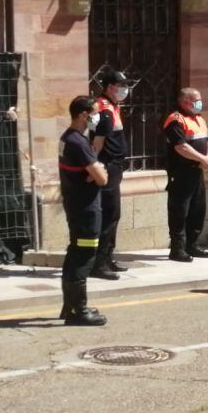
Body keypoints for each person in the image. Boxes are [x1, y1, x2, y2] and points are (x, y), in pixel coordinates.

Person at [59, 96, 109, 326]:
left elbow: (91, 173)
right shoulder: (78, 142)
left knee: (75, 253)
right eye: (95, 113)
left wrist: (94, 171)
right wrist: (99, 171)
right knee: (84, 257)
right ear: (83, 115)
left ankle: (70, 305)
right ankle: (77, 311)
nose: (97, 117)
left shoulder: (68, 138)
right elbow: (101, 178)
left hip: (76, 205)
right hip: (86, 210)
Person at [163, 87, 208, 262]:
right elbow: (181, 146)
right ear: (185, 102)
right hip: (181, 172)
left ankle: (192, 244)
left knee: (198, 209)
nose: (200, 103)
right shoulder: (175, 120)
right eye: (196, 100)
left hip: (197, 171)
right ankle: (177, 249)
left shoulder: (199, 119)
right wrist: (202, 158)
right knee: (180, 210)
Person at [90, 69, 130, 280]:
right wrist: (96, 167)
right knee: (109, 214)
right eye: (120, 85)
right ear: (109, 87)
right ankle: (99, 263)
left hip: (115, 166)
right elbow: (97, 142)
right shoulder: (104, 109)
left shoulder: (112, 107)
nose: (124, 89)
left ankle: (107, 258)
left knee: (113, 214)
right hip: (108, 167)